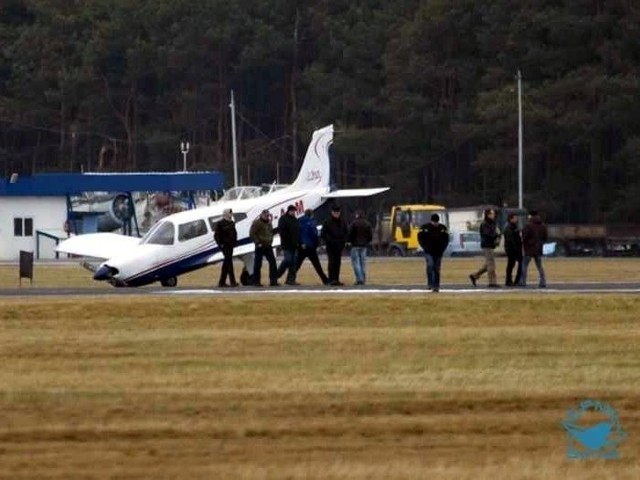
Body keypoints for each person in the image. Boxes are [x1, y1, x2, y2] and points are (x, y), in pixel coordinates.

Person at [417, 213, 449, 292]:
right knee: (430, 265)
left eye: (437, 222)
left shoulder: (442, 228)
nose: (435, 224)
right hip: (428, 251)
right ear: (431, 221)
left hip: (438, 252)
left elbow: (446, 240)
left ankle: (436, 286)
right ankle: (430, 283)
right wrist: (424, 247)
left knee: (437, 269)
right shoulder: (425, 228)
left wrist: (442, 249)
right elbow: (420, 238)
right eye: (434, 222)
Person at [296, 209, 329, 285]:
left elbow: (298, 234)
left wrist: (300, 243)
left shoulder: (300, 222)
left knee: (297, 264)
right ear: (311, 214)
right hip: (310, 246)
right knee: (317, 265)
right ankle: (325, 280)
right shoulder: (311, 223)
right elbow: (314, 235)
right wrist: (317, 244)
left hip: (302, 247)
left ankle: (290, 278)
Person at [469, 208, 500, 287]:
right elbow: (486, 234)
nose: (494, 215)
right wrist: (495, 235)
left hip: (491, 245)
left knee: (488, 265)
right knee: (491, 265)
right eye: (492, 214)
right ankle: (492, 282)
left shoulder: (492, 223)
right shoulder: (484, 224)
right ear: (488, 215)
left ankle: (475, 275)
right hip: (487, 245)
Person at [249, 209, 278, 287]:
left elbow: (271, 232)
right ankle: (256, 282)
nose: (267, 217)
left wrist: (271, 240)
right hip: (260, 246)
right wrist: (257, 242)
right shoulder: (257, 223)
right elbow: (252, 233)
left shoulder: (269, 223)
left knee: (273, 263)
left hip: (268, 245)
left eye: (268, 215)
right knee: (258, 264)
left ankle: (273, 281)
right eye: (265, 215)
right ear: (261, 215)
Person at [321, 205, 348, 286]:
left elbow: (346, 232)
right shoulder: (327, 222)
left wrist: (343, 242)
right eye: (335, 213)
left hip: (339, 246)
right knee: (332, 262)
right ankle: (331, 279)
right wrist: (330, 241)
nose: (337, 214)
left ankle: (336, 279)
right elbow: (323, 234)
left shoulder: (342, 222)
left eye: (338, 213)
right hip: (331, 246)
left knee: (337, 263)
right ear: (332, 212)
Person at [521, 210, 548, 288]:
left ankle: (523, 281)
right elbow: (545, 237)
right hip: (538, 249)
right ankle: (543, 282)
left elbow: (524, 236)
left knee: (524, 265)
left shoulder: (528, 226)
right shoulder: (543, 226)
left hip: (529, 249)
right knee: (539, 266)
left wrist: (525, 242)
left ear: (531, 216)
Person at [347, 210, 373, 285]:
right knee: (363, 263)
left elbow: (350, 234)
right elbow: (370, 236)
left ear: (357, 215)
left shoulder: (354, 223)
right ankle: (363, 279)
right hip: (364, 246)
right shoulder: (367, 224)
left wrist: (349, 241)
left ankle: (359, 279)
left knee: (356, 263)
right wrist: (367, 242)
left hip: (355, 245)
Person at [276, 205, 300, 285]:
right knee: (288, 260)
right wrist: (289, 239)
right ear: (289, 211)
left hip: (295, 245)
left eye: (294, 211)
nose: (294, 213)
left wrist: (298, 242)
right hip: (287, 244)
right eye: (292, 211)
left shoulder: (295, 220)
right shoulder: (283, 219)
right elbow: (282, 232)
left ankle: (291, 280)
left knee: (293, 263)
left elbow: (297, 232)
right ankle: (276, 275)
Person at [214, 208, 238, 287]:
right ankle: (233, 281)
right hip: (225, 245)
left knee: (226, 263)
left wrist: (235, 242)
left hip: (231, 245)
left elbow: (234, 233)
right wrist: (220, 244)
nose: (231, 214)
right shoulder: (220, 223)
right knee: (229, 263)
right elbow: (216, 235)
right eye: (230, 213)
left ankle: (222, 282)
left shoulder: (231, 223)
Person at [503, 213, 523, 287]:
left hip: (515, 248)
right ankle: (509, 280)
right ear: (511, 219)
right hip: (512, 249)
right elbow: (510, 239)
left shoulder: (514, 227)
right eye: (515, 218)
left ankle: (516, 280)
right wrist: (516, 248)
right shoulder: (509, 227)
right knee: (511, 265)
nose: (516, 219)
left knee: (517, 264)